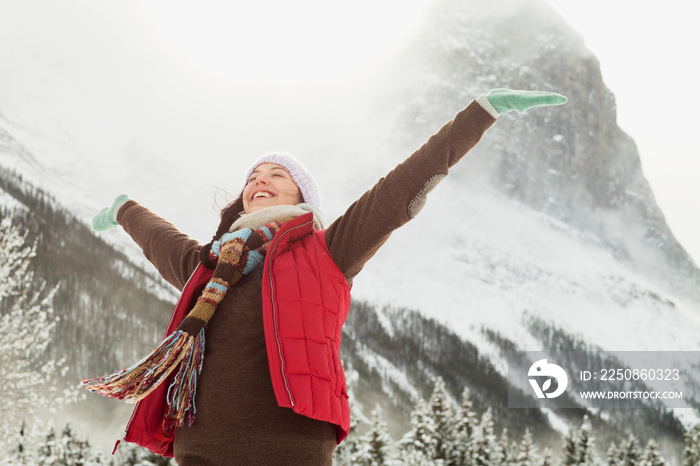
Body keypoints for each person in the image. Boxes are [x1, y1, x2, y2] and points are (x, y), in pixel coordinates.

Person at [84, 89, 566, 465]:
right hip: (201, 449)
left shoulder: (325, 251)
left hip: (290, 448)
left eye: (276, 174)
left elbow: (398, 191)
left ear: (302, 196)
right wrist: (125, 209)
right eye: (253, 177)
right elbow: (159, 237)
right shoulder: (210, 265)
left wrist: (481, 112)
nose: (259, 181)